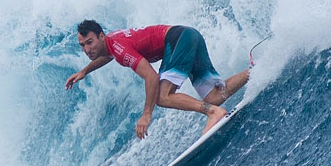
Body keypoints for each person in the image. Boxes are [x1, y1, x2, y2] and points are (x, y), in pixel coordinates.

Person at [65, 20, 250, 139]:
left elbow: (151, 77)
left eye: (90, 42)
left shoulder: (119, 49)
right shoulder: (112, 44)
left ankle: (213, 113)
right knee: (214, 96)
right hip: (188, 35)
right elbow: (106, 55)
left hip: (178, 40)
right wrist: (85, 71)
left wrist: (146, 114)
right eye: (82, 45)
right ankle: (256, 70)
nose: (87, 49)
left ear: (101, 36)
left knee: (162, 97)